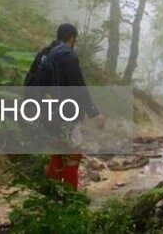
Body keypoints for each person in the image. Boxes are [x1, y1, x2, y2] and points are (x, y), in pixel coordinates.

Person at [26, 23, 105, 191]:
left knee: (58, 147)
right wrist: (94, 113)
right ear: (73, 38)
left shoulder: (45, 54)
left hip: (46, 111)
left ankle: (52, 193)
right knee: (73, 152)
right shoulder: (67, 55)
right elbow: (78, 86)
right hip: (66, 111)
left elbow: (31, 80)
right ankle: (70, 195)